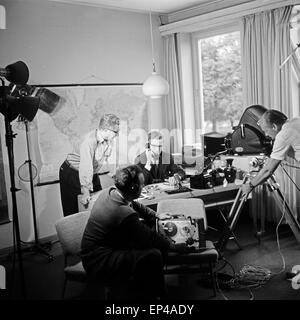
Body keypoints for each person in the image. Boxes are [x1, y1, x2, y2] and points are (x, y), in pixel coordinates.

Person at [80, 164, 174, 300]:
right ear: (133, 187)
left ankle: (141, 289)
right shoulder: (122, 211)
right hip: (98, 261)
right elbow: (150, 238)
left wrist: (156, 215)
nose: (143, 187)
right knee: (154, 254)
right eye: (141, 185)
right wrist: (173, 245)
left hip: (96, 250)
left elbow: (134, 203)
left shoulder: (111, 191)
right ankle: (157, 298)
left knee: (144, 247)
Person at [59, 113, 120, 216]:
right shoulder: (89, 141)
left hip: (91, 171)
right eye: (115, 132)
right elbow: (85, 167)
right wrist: (85, 191)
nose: (117, 134)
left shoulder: (108, 139)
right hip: (72, 172)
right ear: (105, 129)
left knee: (101, 202)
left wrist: (114, 174)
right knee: (76, 209)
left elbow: (106, 157)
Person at [241, 109, 300, 197]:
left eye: (266, 131)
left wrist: (250, 185)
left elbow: (268, 170)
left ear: (274, 127)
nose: (267, 135)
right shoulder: (296, 120)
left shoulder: (283, 135)